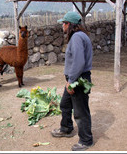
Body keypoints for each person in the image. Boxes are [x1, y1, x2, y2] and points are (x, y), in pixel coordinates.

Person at [51, 11, 93, 151]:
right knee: (65, 104)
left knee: (81, 111)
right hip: (74, 78)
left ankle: (86, 140)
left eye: (64, 23)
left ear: (70, 24)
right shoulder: (81, 36)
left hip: (78, 80)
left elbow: (79, 62)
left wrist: (71, 81)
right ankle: (66, 128)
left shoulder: (76, 37)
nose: (62, 25)